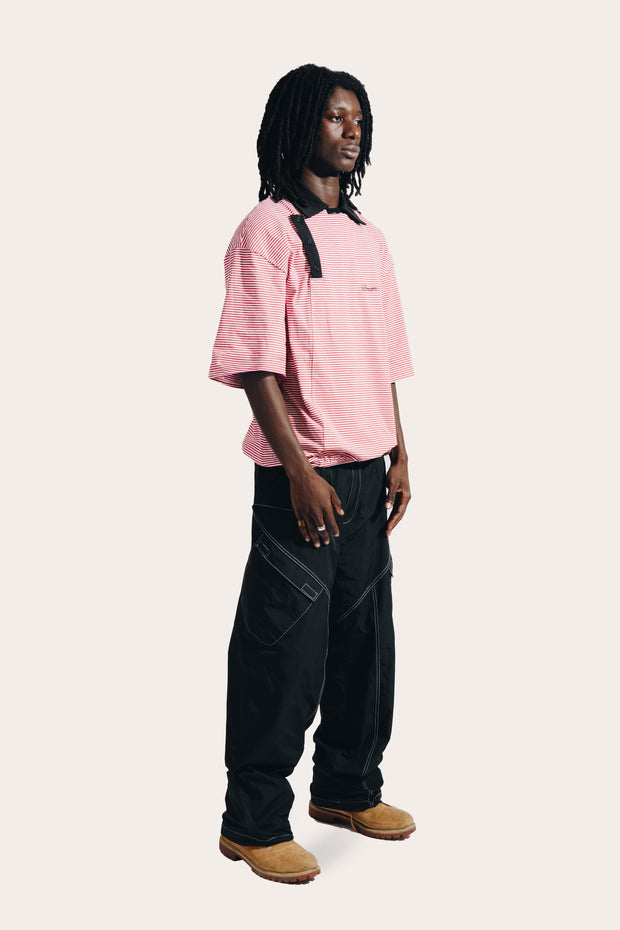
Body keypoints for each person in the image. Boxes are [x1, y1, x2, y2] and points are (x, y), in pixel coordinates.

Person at [209, 63, 415, 884]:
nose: (351, 130)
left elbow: (384, 357)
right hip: (304, 484)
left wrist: (401, 451)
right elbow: (255, 363)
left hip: (367, 476)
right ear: (299, 126)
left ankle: (347, 790)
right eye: (334, 116)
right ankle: (253, 822)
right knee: (283, 653)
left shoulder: (368, 238)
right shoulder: (267, 232)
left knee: (366, 646)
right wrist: (298, 471)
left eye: (358, 117)